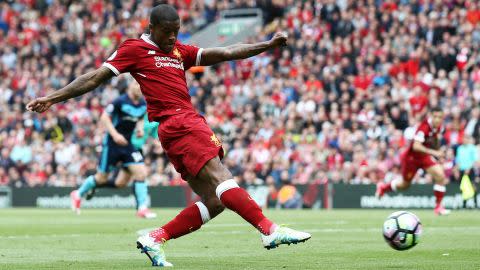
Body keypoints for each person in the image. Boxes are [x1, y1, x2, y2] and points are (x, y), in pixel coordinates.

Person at [27, 4, 310, 267]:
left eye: (177, 30)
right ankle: (269, 230)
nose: (173, 36)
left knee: (214, 200)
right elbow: (94, 77)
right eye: (168, 31)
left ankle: (155, 238)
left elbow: (225, 52)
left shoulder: (179, 51)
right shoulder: (135, 49)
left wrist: (267, 45)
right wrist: (53, 97)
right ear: (152, 27)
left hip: (181, 125)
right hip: (178, 123)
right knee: (222, 179)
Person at [70, 79, 157, 219]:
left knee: (141, 172)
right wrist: (115, 135)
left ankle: (142, 208)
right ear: (131, 85)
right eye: (138, 84)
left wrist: (140, 129)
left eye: (143, 86)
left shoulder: (142, 104)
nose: (141, 88)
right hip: (112, 145)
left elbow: (140, 119)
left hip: (128, 145)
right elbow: (104, 117)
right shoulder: (120, 101)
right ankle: (78, 194)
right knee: (102, 177)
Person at [376, 107, 451, 215]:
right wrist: (435, 153)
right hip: (411, 159)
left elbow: (434, 139)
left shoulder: (438, 127)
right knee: (405, 185)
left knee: (440, 176)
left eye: (440, 117)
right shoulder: (424, 127)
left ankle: (438, 207)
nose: (437, 119)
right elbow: (416, 146)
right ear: (430, 115)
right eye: (435, 116)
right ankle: (383, 187)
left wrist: (438, 151)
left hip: (424, 157)